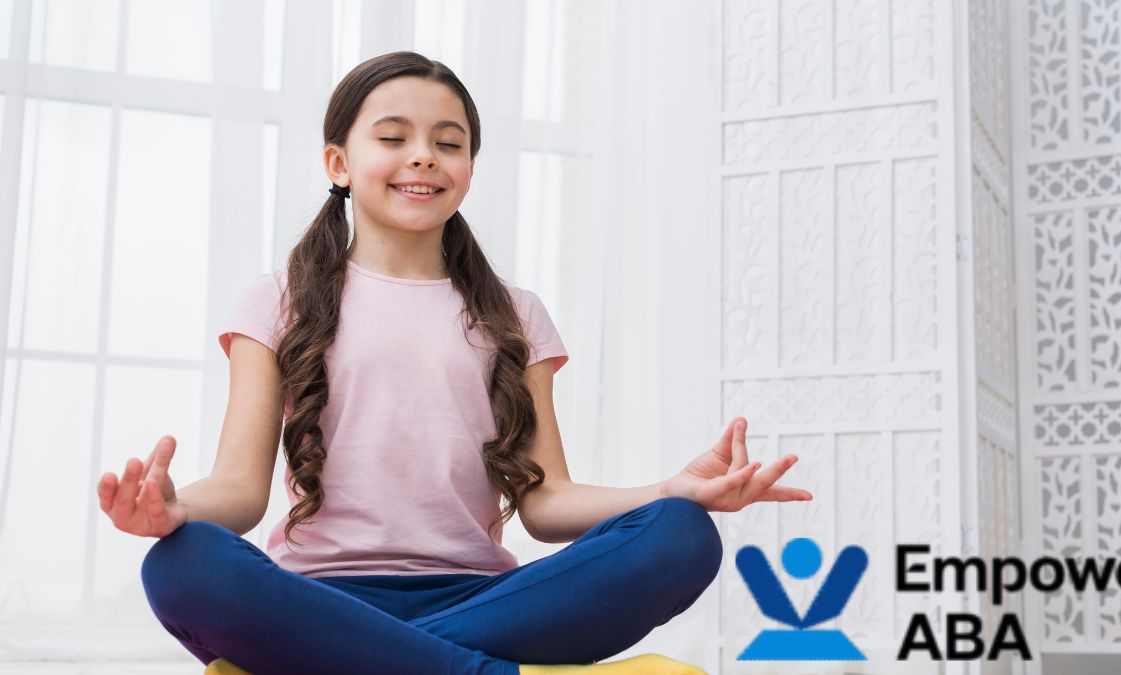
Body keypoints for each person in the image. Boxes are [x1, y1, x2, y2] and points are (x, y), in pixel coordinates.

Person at [94, 50, 812, 675]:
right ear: (338, 164)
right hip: (314, 598)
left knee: (681, 535)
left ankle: (362, 665)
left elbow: (545, 502)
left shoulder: (515, 313)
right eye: (393, 137)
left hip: (486, 600)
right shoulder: (277, 300)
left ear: (469, 168)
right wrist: (177, 508)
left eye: (449, 141)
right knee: (182, 564)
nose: (423, 156)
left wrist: (668, 488)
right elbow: (241, 490)